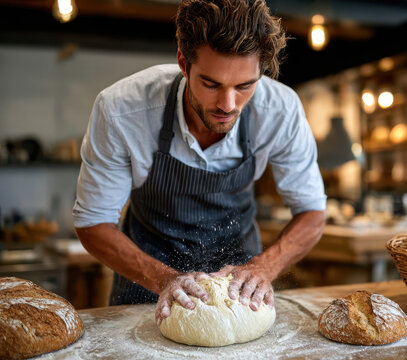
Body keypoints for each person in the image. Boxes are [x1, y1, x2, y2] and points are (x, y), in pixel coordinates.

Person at [73, 0, 326, 326]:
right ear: (183, 62)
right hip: (148, 284)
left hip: (239, 290)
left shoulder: (281, 111)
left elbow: (313, 213)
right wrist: (165, 280)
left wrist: (263, 269)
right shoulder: (123, 110)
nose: (228, 104)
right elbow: (92, 222)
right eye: (211, 84)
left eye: (245, 85)